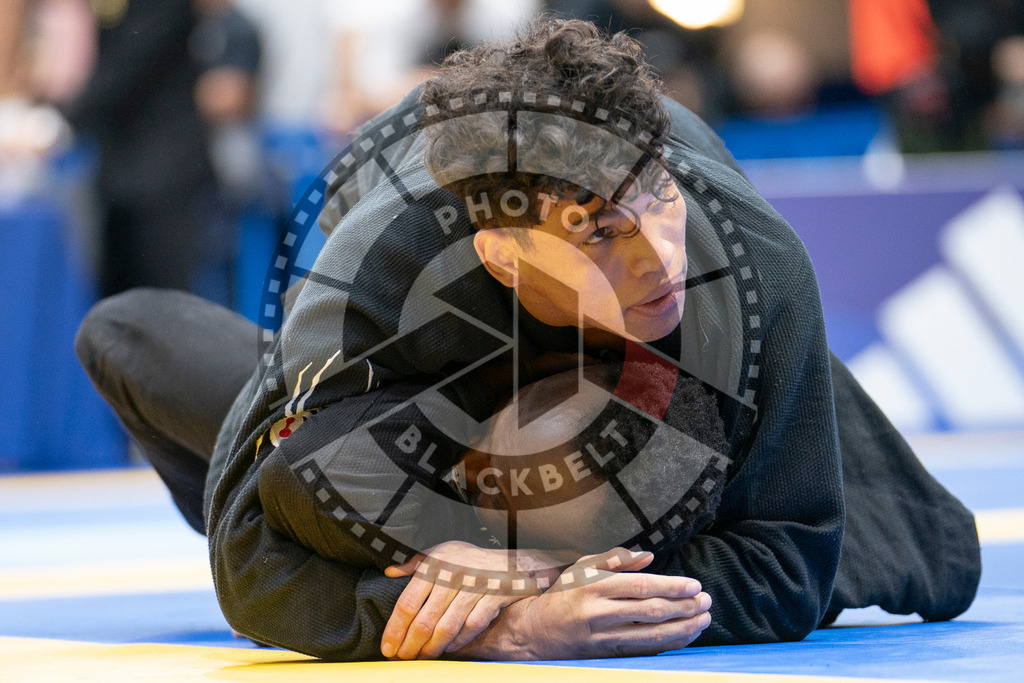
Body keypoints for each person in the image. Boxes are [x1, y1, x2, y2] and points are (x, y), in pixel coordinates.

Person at [75, 18, 981, 662]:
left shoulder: (747, 259)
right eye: (600, 232)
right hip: (432, 401)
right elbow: (249, 558)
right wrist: (500, 625)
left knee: (935, 556)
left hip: (660, 407)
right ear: (503, 252)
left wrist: (558, 583)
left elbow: (790, 556)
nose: (658, 255)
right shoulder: (375, 279)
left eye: (657, 197)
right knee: (127, 334)